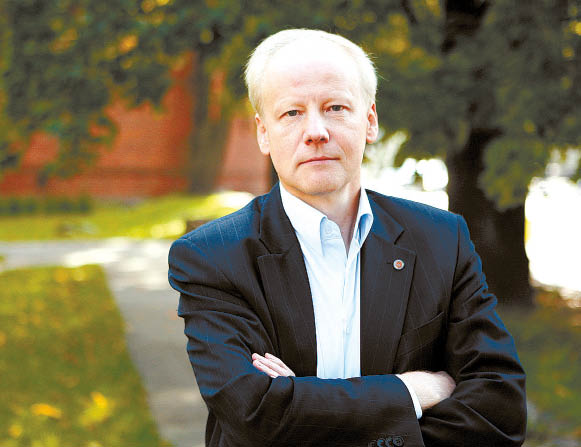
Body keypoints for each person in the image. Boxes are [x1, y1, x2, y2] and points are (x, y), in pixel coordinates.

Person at [168, 29, 526, 447]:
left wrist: (299, 408)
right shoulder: (213, 257)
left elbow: (500, 410)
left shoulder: (442, 241)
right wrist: (410, 392)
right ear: (263, 133)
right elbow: (254, 414)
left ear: (369, 120)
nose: (315, 131)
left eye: (335, 108)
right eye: (292, 113)